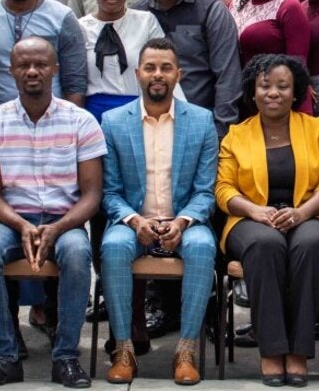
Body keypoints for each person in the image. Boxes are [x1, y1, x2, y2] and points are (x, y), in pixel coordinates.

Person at [0, 37, 105, 388]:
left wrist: (57, 228)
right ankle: (5, 356)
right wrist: (21, 225)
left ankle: (66, 358)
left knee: (77, 252)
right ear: (11, 70)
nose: (33, 71)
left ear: (55, 69)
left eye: (41, 64)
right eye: (24, 65)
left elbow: (91, 195)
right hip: (9, 220)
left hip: (65, 220)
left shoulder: (81, 122)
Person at [99, 38, 220, 385]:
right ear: (137, 73)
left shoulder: (200, 121)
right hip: (133, 218)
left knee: (201, 246)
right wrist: (135, 220)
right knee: (113, 246)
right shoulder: (113, 122)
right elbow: (110, 192)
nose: (158, 74)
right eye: (150, 67)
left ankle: (186, 351)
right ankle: (124, 349)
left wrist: (182, 221)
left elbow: (204, 192)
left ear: (178, 74)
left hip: (184, 218)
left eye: (166, 68)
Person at [217, 54, 319, 385]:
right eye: (265, 86)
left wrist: (302, 212)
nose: (274, 93)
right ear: (253, 92)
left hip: (307, 214)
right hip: (251, 219)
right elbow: (224, 188)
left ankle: (298, 351)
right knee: (265, 243)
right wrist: (255, 211)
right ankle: (272, 350)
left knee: (312, 244)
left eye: (283, 86)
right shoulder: (236, 135)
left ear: (295, 90)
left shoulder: (315, 129)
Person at [135, 0, 243, 137]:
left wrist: (220, 134)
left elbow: (228, 79)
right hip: (148, 131)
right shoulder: (137, 15)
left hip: (201, 130)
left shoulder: (211, 10)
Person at [79, 0, 169, 124]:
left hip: (139, 113)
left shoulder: (146, 22)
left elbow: (162, 68)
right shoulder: (80, 28)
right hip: (93, 117)